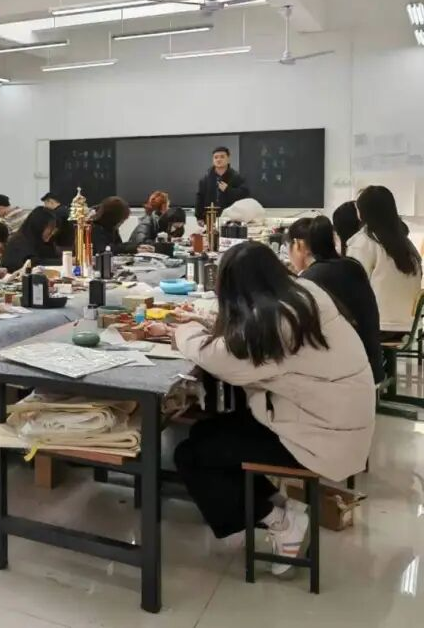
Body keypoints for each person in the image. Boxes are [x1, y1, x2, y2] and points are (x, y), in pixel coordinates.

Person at [173, 242, 375, 575]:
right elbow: (250, 334)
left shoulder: (279, 322)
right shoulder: (302, 295)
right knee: (205, 431)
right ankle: (281, 506)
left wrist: (183, 331)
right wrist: (203, 319)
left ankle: (279, 521)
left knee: (192, 455)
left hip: (320, 438)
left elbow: (222, 360)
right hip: (328, 423)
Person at [288, 216, 383, 384]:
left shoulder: (310, 280)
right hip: (372, 366)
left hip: (342, 375)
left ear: (298, 245)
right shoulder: (352, 266)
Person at [347, 185, 422, 339]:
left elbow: (352, 287)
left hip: (377, 327)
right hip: (410, 328)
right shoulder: (407, 245)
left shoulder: (363, 243)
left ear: (362, 213)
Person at [195, 146, 250, 221]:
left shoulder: (236, 177)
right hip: (210, 218)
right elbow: (200, 197)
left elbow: (244, 195)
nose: (218, 159)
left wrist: (228, 190)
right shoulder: (205, 179)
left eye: (222, 157)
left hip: (231, 218)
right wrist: (199, 217)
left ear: (228, 159)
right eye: (216, 157)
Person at [1, 207, 58, 271]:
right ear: (39, 226)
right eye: (51, 228)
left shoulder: (40, 241)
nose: (53, 232)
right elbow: (34, 264)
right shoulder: (19, 243)